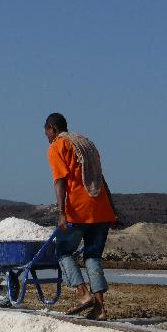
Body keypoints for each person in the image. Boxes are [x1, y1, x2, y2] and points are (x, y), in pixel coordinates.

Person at [44, 112, 120, 320]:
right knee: (92, 256)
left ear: (52, 129)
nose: (47, 137)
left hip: (78, 210)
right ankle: (100, 308)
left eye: (46, 132)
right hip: (101, 210)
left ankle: (82, 293)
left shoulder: (58, 146)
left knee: (63, 252)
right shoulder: (87, 144)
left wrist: (61, 213)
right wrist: (113, 211)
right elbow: (101, 180)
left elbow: (60, 181)